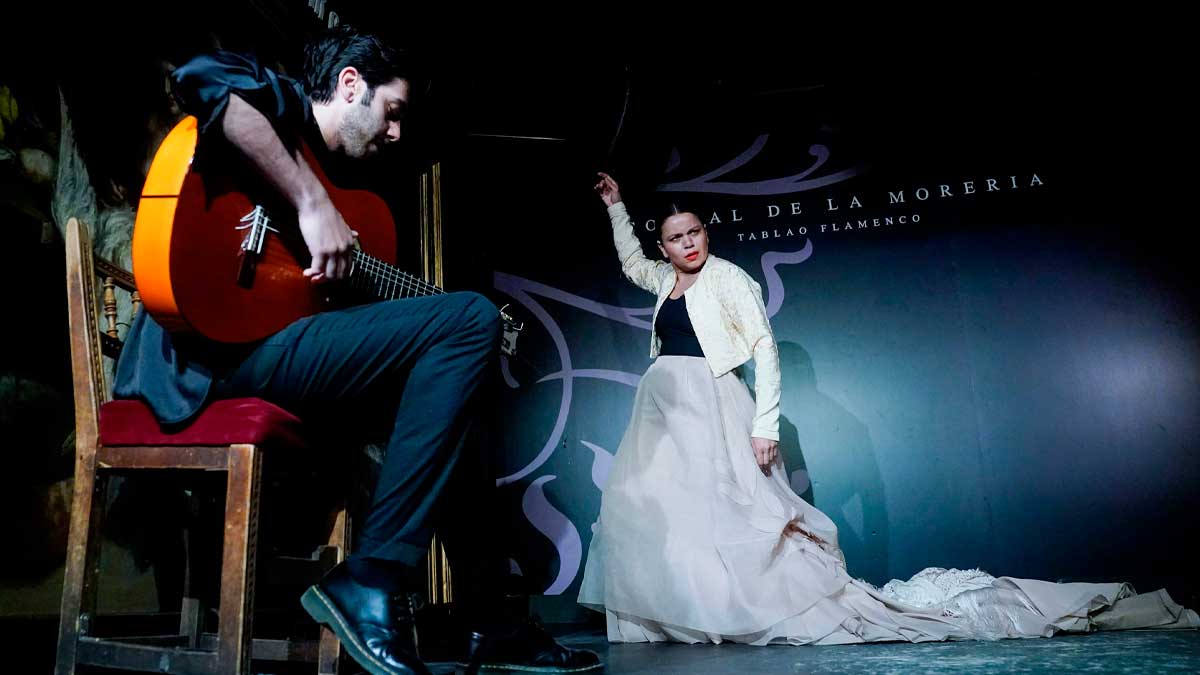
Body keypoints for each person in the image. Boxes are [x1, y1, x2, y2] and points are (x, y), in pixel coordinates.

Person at [113, 26, 600, 675]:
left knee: (460, 382)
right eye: (393, 111)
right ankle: (370, 576)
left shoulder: (359, 199)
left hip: (282, 358)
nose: (396, 133)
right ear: (350, 84)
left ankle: (490, 616)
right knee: (470, 318)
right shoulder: (282, 111)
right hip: (213, 362)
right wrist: (310, 203)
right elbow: (203, 73)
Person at [577, 172, 1199, 645]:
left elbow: (764, 350)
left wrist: (765, 426)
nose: (687, 244)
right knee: (663, 511)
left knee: (738, 516)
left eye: (694, 233)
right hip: (663, 408)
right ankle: (682, 613)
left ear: (706, 234)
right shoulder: (663, 280)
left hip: (712, 406)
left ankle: (743, 610)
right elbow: (630, 262)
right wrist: (615, 209)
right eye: (676, 238)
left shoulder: (730, 280)